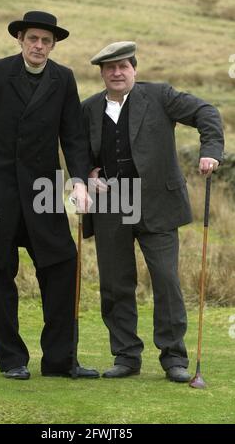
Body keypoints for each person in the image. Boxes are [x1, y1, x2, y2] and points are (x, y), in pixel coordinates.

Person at [0, 11, 99, 380]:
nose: (39, 46)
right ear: (20, 39)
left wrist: (80, 181)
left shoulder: (64, 78)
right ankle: (12, 360)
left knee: (62, 265)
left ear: (53, 45)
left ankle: (59, 361)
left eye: (46, 41)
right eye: (33, 39)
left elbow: (73, 136)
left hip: (45, 190)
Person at [82, 41, 224, 381]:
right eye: (110, 68)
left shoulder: (161, 96)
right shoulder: (87, 108)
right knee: (115, 285)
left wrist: (210, 150)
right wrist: (86, 174)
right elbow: (75, 146)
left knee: (166, 280)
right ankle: (126, 356)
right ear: (102, 73)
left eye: (123, 66)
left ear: (134, 69)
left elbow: (207, 112)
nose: (117, 72)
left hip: (158, 203)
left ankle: (174, 358)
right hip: (110, 205)